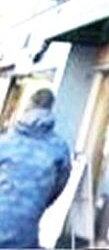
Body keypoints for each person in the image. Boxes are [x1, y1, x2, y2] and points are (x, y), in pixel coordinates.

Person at [0, 88, 71, 248]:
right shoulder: (59, 148)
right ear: (50, 109)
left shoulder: (5, 141)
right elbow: (58, 187)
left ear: (27, 107)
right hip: (24, 237)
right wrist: (36, 201)